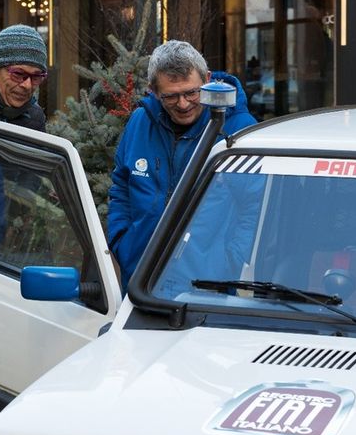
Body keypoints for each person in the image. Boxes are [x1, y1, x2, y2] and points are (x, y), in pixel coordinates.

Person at [107, 40, 257, 288]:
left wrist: (231, 261)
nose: (183, 104)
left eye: (191, 93)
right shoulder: (140, 121)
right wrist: (122, 242)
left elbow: (254, 204)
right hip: (140, 278)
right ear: (154, 91)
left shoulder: (237, 128)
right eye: (171, 96)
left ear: (207, 79)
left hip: (207, 287)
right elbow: (121, 187)